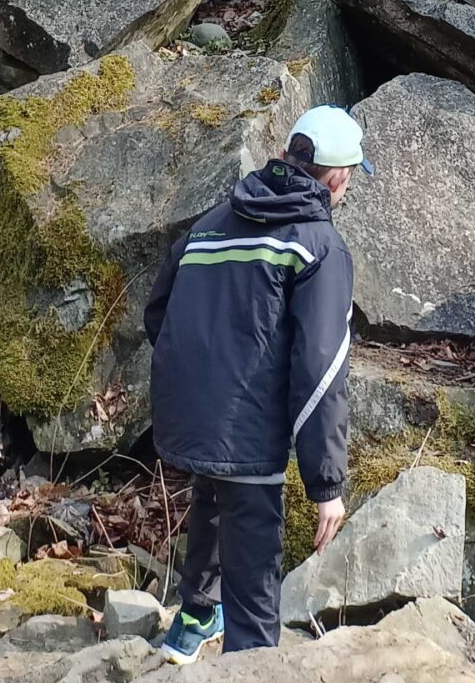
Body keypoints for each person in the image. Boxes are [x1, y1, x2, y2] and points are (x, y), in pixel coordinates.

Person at [145, 106, 369, 661]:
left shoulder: (212, 221)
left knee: (210, 498)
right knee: (253, 562)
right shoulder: (319, 245)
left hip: (190, 415)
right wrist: (326, 486)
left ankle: (193, 622)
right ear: (338, 179)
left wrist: (203, 381)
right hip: (248, 427)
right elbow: (320, 371)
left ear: (287, 156)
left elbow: (158, 313)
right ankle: (250, 660)